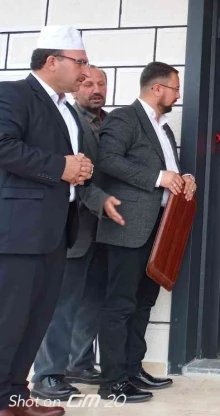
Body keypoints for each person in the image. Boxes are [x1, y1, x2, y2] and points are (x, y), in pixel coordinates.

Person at [0, 25, 95, 416]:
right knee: (10, 319)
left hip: (56, 230)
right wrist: (61, 166)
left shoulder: (66, 108)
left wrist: (79, 169)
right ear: (52, 61)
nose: (86, 73)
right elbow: (4, 146)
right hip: (21, 230)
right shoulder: (14, 94)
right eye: (80, 63)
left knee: (36, 319)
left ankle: (14, 396)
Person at [96, 62, 197, 403]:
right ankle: (112, 383)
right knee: (120, 305)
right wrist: (159, 177)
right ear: (157, 89)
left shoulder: (164, 127)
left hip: (159, 229)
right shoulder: (124, 118)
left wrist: (183, 178)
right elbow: (107, 160)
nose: (178, 94)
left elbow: (169, 171)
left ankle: (131, 369)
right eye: (175, 88)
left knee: (143, 303)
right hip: (127, 227)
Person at [32, 67, 124, 402]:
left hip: (108, 227)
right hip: (72, 225)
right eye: (88, 83)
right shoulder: (64, 118)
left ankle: (80, 364)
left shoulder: (113, 122)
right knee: (63, 303)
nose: (96, 88)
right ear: (75, 87)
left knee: (94, 301)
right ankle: (47, 374)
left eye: (101, 83)